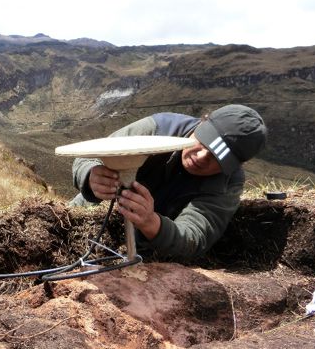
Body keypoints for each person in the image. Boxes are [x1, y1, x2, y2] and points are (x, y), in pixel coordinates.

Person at [72, 104, 267, 261]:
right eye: (204, 142)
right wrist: (91, 176)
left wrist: (151, 223)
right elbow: (88, 156)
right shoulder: (159, 128)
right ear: (202, 121)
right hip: (83, 222)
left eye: (217, 158)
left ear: (235, 165)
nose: (200, 157)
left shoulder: (229, 181)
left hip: (145, 252)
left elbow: (194, 236)